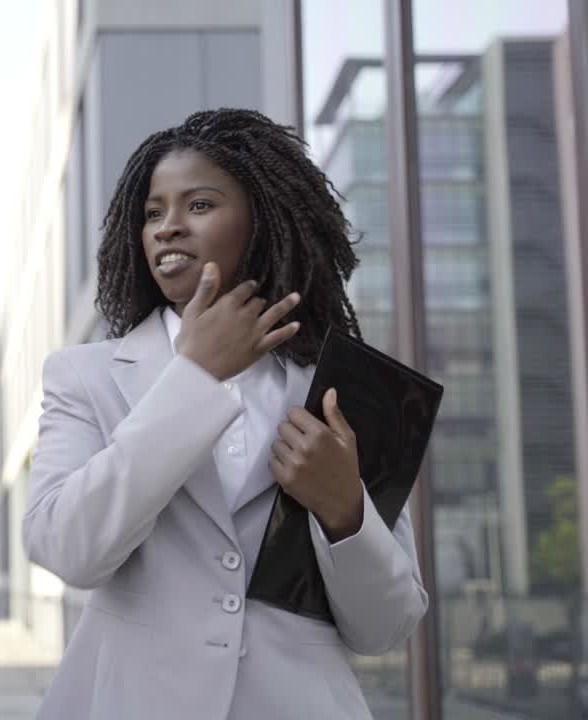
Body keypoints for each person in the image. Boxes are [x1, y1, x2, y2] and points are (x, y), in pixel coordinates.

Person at [23, 109, 429, 719]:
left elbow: (386, 627)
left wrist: (344, 508)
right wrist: (194, 378)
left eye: (201, 205)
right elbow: (67, 548)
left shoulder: (348, 388)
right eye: (153, 213)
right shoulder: (84, 376)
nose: (168, 228)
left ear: (262, 219)